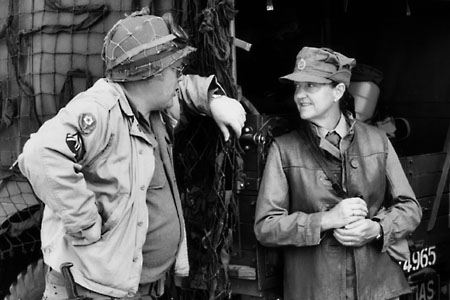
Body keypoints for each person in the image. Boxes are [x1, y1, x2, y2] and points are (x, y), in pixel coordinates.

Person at [18, 8, 246, 300]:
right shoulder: (101, 110)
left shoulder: (151, 106)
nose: (179, 75)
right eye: (174, 68)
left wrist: (211, 98)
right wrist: (86, 223)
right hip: (96, 292)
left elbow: (182, 89)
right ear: (148, 72)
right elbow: (40, 154)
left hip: (137, 288)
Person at [253, 46, 422, 300]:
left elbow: (410, 208)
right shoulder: (284, 149)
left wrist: (376, 229)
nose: (300, 95)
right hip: (314, 290)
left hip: (377, 289)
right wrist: (324, 220)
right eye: (298, 87)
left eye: (311, 85)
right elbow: (265, 227)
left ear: (338, 91)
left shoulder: (378, 141)